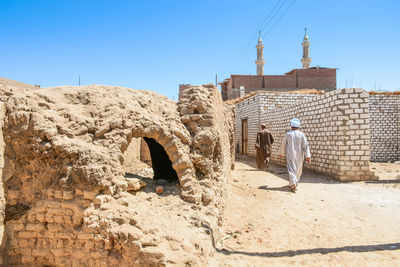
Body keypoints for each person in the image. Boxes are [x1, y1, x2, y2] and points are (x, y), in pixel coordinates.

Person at [278, 118, 311, 192]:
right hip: (300, 155)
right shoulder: (301, 134)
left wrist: (281, 153)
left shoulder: (288, 134)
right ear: (298, 126)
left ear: (291, 126)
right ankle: (294, 183)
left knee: (291, 169)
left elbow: (283, 144)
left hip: (290, 154)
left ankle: (293, 183)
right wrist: (307, 156)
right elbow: (305, 145)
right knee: (298, 169)